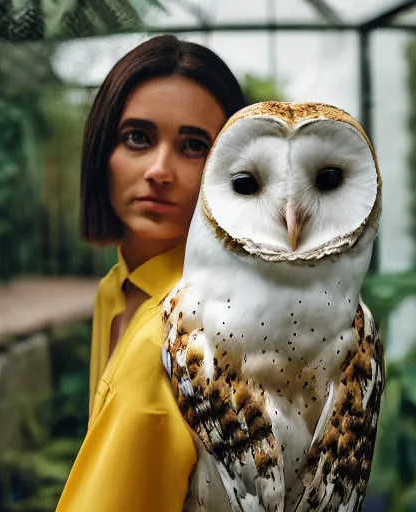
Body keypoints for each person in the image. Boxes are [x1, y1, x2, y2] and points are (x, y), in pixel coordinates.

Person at [55, 34, 247, 512]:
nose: (160, 170)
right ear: (102, 151)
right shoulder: (115, 290)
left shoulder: (201, 326)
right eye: (137, 137)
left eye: (193, 146)